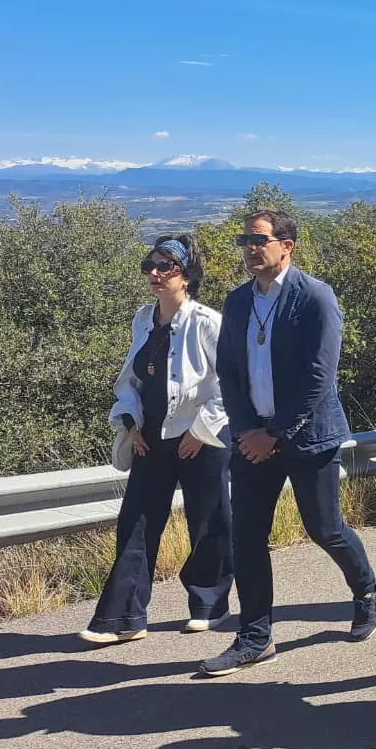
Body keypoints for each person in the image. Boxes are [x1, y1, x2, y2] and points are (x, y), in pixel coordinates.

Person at [202, 209, 376, 676]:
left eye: (258, 240)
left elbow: (319, 376)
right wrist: (247, 430)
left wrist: (275, 433)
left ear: (287, 246)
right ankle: (255, 637)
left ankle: (366, 587)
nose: (249, 248)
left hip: (308, 437)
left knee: (324, 528)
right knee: (247, 537)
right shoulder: (238, 301)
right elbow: (229, 371)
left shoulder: (316, 297)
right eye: (244, 240)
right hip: (252, 438)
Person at [83, 235, 234, 644]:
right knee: (136, 522)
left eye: (165, 266)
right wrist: (131, 421)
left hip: (201, 436)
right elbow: (131, 379)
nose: (154, 273)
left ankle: (209, 604)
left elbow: (229, 384)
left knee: (209, 521)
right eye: (149, 265)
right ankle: (124, 617)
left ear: (186, 276)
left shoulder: (207, 322)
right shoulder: (143, 319)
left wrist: (200, 432)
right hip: (151, 436)